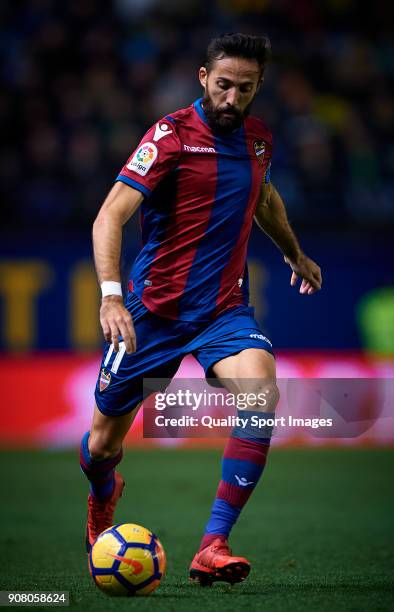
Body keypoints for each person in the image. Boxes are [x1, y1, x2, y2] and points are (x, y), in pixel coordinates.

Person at [80, 32, 322, 586]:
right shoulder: (169, 136)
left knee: (261, 394)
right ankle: (103, 496)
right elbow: (108, 217)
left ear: (258, 86)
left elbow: (262, 196)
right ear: (202, 79)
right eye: (223, 86)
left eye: (245, 88)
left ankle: (213, 543)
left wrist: (294, 253)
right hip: (152, 313)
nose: (232, 99)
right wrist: (112, 296)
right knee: (101, 445)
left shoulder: (258, 140)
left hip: (222, 311)